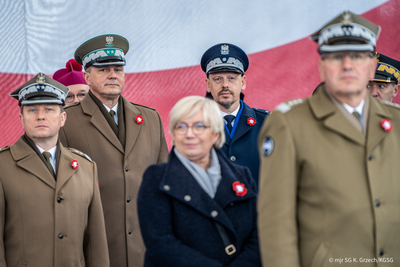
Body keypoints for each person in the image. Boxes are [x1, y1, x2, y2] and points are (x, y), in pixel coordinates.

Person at [258, 10, 400, 266]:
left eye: (357, 55)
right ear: (322, 66)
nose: (347, 65)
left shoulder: (397, 121)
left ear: (371, 65)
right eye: (336, 56)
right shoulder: (288, 123)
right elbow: (276, 224)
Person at [59, 34, 169, 267]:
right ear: (87, 76)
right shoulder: (66, 121)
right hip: (96, 250)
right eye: (103, 70)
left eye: (118, 69)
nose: (112, 75)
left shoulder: (151, 118)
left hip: (147, 249)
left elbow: (164, 185)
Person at [137, 96, 261, 267]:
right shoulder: (156, 177)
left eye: (199, 126)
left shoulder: (243, 176)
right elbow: (160, 243)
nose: (189, 134)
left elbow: (258, 236)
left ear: (216, 134)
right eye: (181, 126)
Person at [0, 73, 109, 266]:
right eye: (32, 110)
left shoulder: (86, 167)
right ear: (21, 118)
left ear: (62, 117)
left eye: (49, 109)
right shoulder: (3, 166)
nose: (41, 115)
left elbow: (96, 243)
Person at [201, 43, 269, 185]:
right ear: (208, 85)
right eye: (218, 79)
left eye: (231, 78)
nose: (225, 85)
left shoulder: (268, 123)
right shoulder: (193, 126)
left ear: (243, 82)